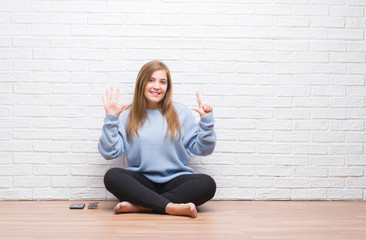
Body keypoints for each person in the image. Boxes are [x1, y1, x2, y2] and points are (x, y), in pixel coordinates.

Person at [98, 60, 216, 218]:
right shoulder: (126, 115)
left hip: (176, 180)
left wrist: (206, 122)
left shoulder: (181, 113)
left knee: (207, 184)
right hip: (141, 182)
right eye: (151, 80)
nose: (157, 86)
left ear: (167, 87)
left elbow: (203, 149)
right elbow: (110, 153)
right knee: (112, 176)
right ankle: (171, 206)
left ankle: (142, 206)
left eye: (162, 82)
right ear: (141, 83)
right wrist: (111, 119)